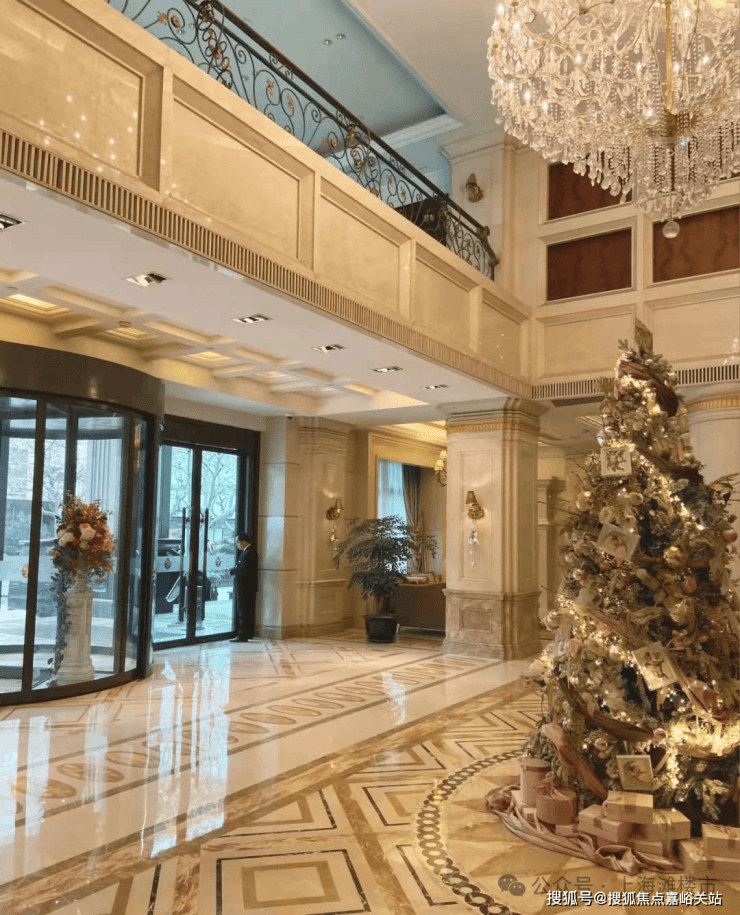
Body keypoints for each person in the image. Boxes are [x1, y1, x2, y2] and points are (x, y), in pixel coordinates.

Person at [230, 532, 257, 642]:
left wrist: (232, 571)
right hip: (247, 587)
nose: (236, 545)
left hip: (244, 587)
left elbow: (244, 570)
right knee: (246, 611)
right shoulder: (249, 552)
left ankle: (242, 635)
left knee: (243, 611)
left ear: (243, 541)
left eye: (237, 542)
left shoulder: (248, 553)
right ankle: (248, 634)